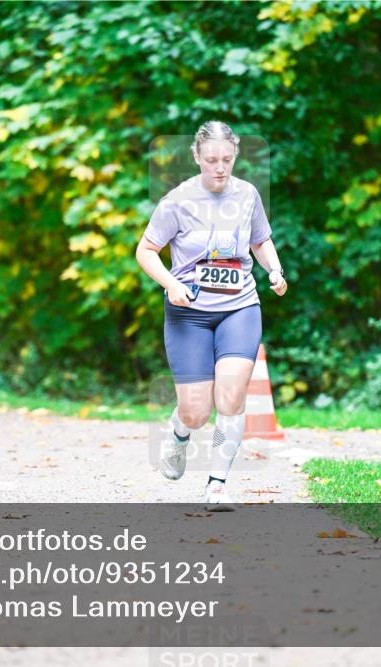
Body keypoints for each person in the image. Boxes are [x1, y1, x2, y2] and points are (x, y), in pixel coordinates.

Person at [136, 121, 288, 510]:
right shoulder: (178, 200)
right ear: (197, 158)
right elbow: (146, 251)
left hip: (239, 306)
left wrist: (273, 269)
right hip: (189, 312)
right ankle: (179, 433)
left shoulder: (248, 195)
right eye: (211, 160)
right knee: (197, 410)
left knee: (232, 397)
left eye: (227, 159)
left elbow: (260, 240)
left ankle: (217, 484)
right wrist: (171, 284)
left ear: (235, 155)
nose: (220, 167)